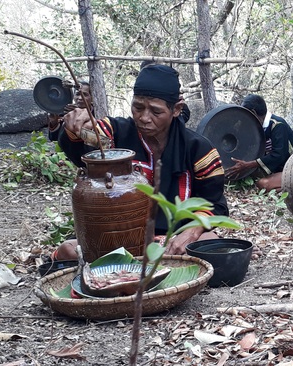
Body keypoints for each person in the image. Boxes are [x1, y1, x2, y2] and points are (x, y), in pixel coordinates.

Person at [54, 64, 229, 259]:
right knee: (68, 250)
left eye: (156, 112)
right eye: (138, 107)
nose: (144, 117)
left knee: (210, 242)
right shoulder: (115, 132)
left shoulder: (199, 149)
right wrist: (76, 126)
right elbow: (85, 141)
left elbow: (215, 205)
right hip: (117, 239)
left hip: (173, 240)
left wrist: (191, 232)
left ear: (176, 109)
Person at [225, 94, 293, 192]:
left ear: (253, 112)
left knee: (262, 184)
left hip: (290, 168)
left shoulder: (277, 125)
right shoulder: (255, 127)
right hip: (272, 168)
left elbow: (279, 155)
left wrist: (248, 165)